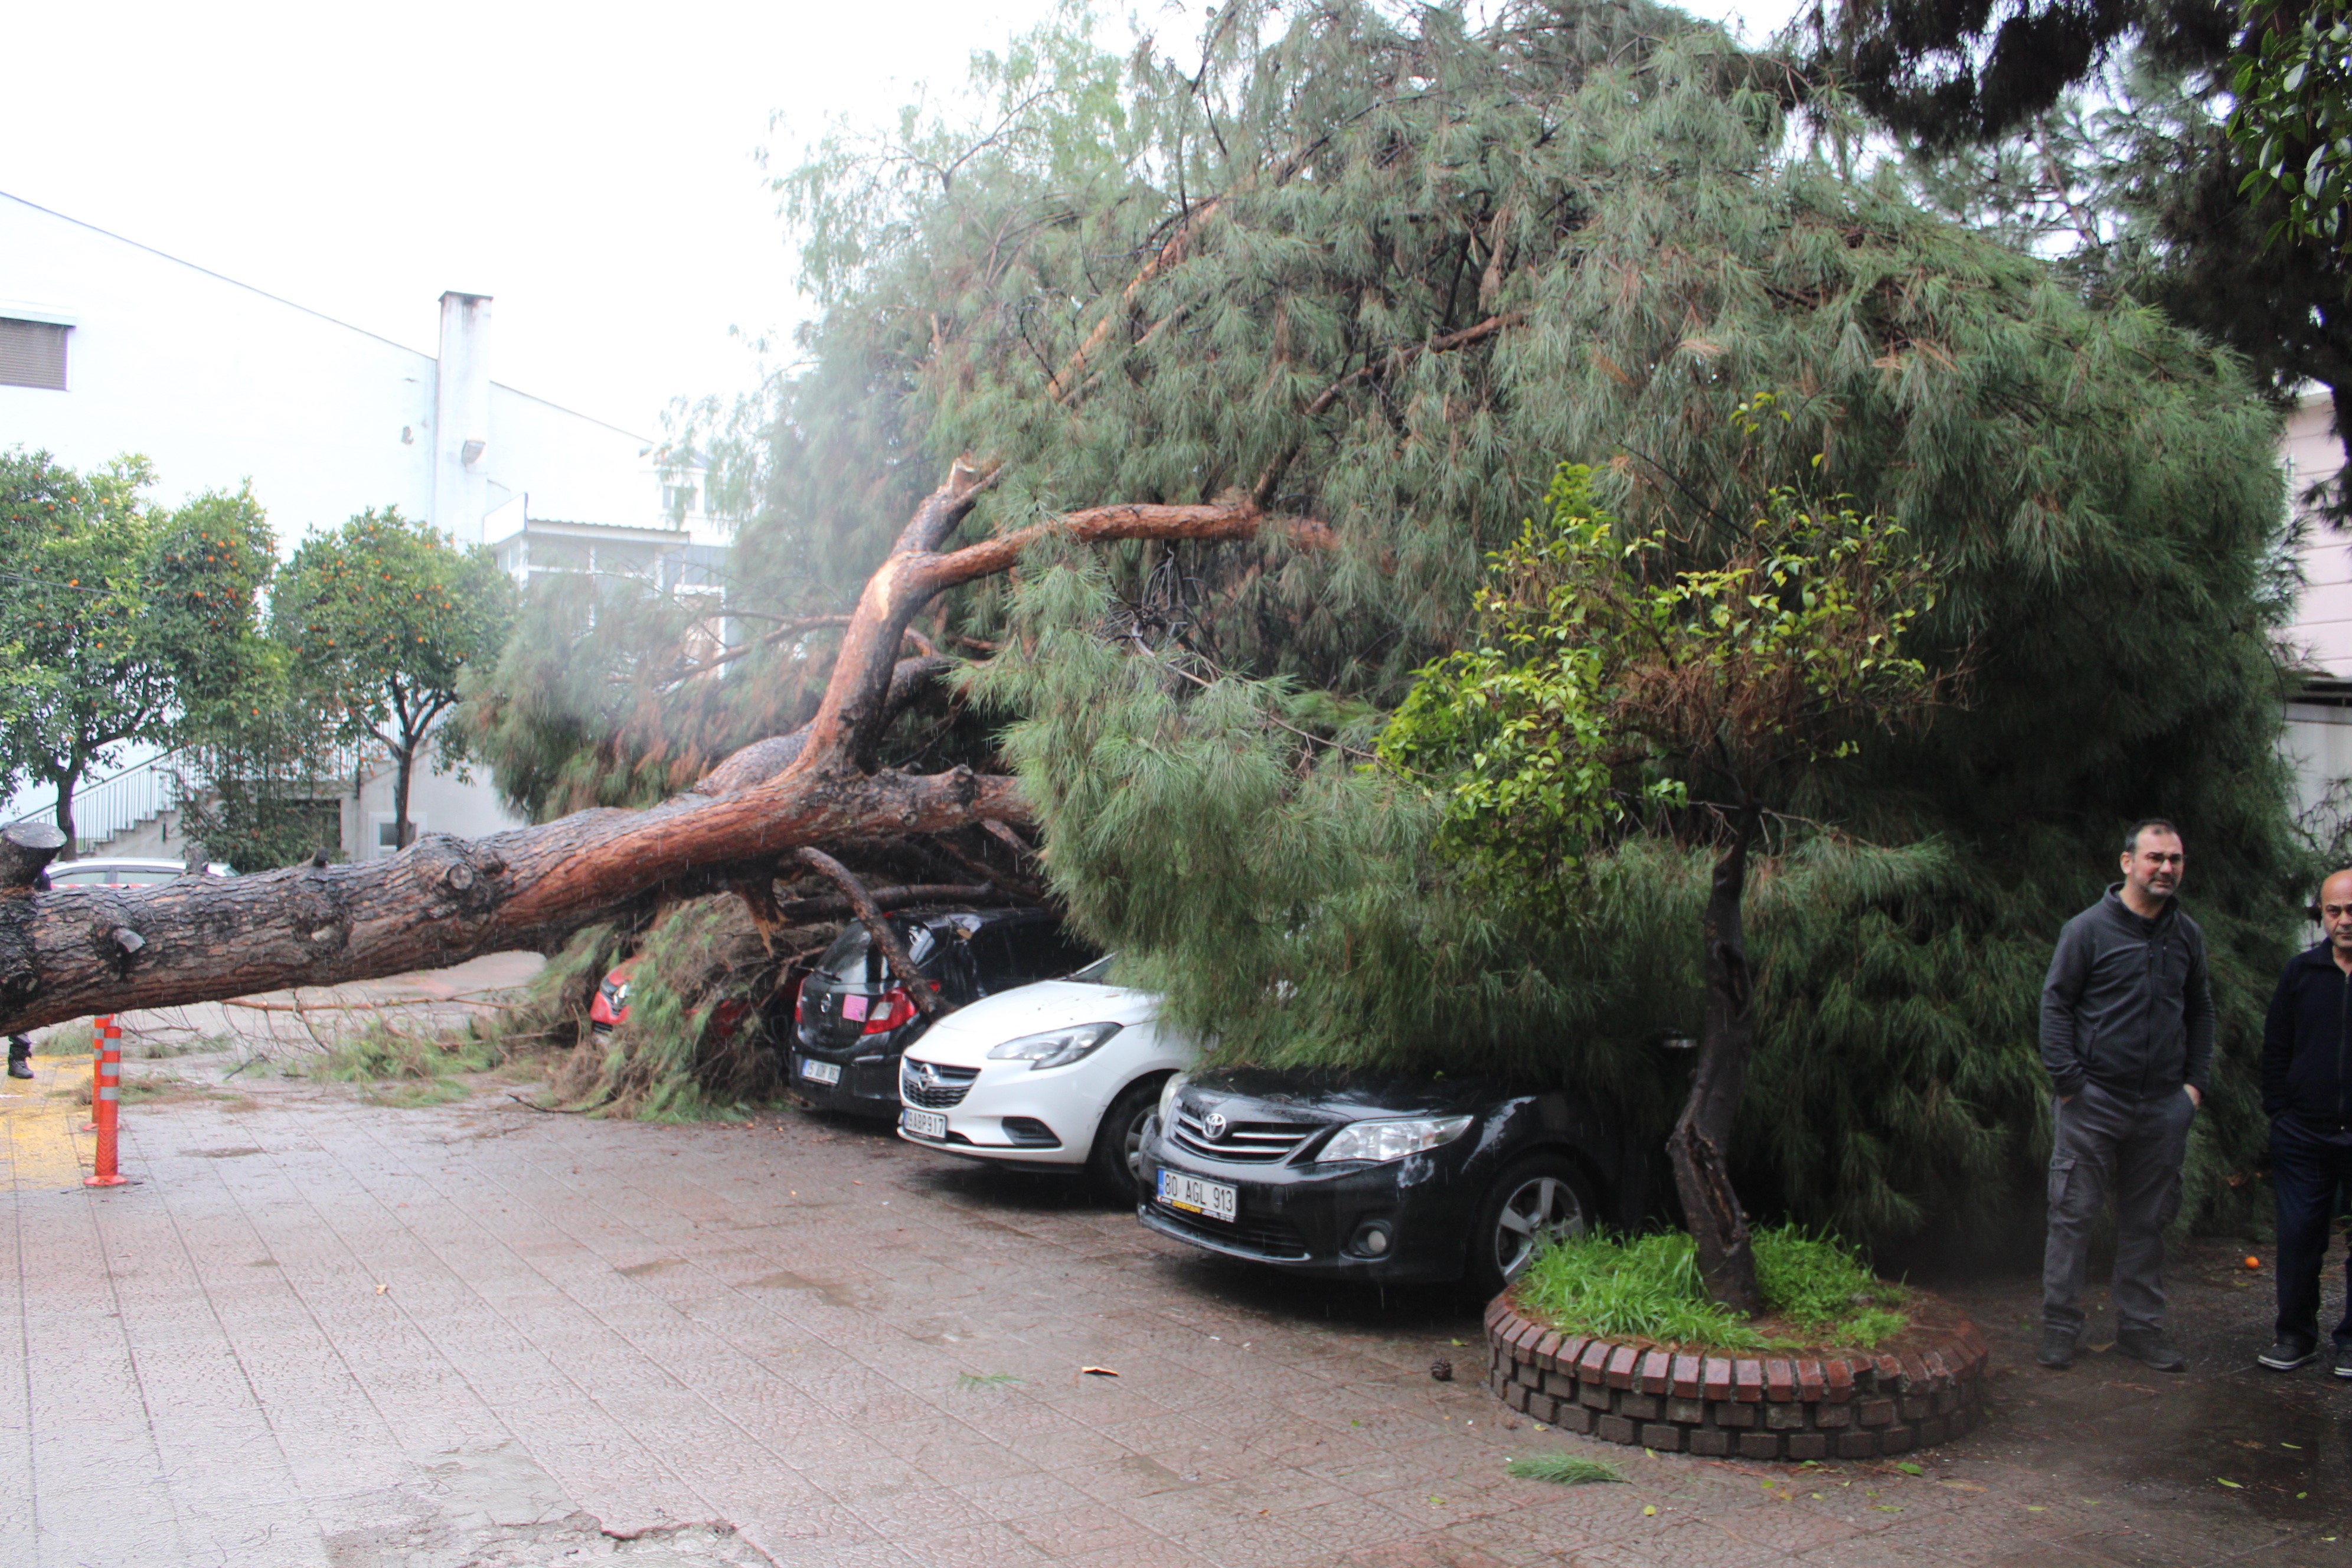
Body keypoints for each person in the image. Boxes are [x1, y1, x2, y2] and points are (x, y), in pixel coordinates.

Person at [2037, 818, 2211, 1372]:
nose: (2166, 869)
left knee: (2150, 1220)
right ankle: (2061, 1328)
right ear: (2127, 862)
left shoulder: (2187, 936)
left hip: (2163, 1104)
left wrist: (2193, 1088)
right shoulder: (2087, 930)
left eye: (2175, 859)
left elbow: (2201, 1010)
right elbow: (2056, 1005)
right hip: (2095, 1100)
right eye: (2155, 857)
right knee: (2073, 1215)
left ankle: (2140, 1329)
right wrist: (2069, 1084)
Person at [2255, 867, 2352, 1377]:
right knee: (2298, 1239)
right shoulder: (2301, 973)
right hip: (2303, 1135)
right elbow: (2276, 1048)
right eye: (2334, 911)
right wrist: (2282, 1111)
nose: (2344, 921)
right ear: (2322, 914)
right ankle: (2294, 1336)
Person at [6, 865, 47, 1079]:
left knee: (20, 1006)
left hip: (21, 950)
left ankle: (18, 1058)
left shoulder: (36, 873)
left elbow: (47, 907)